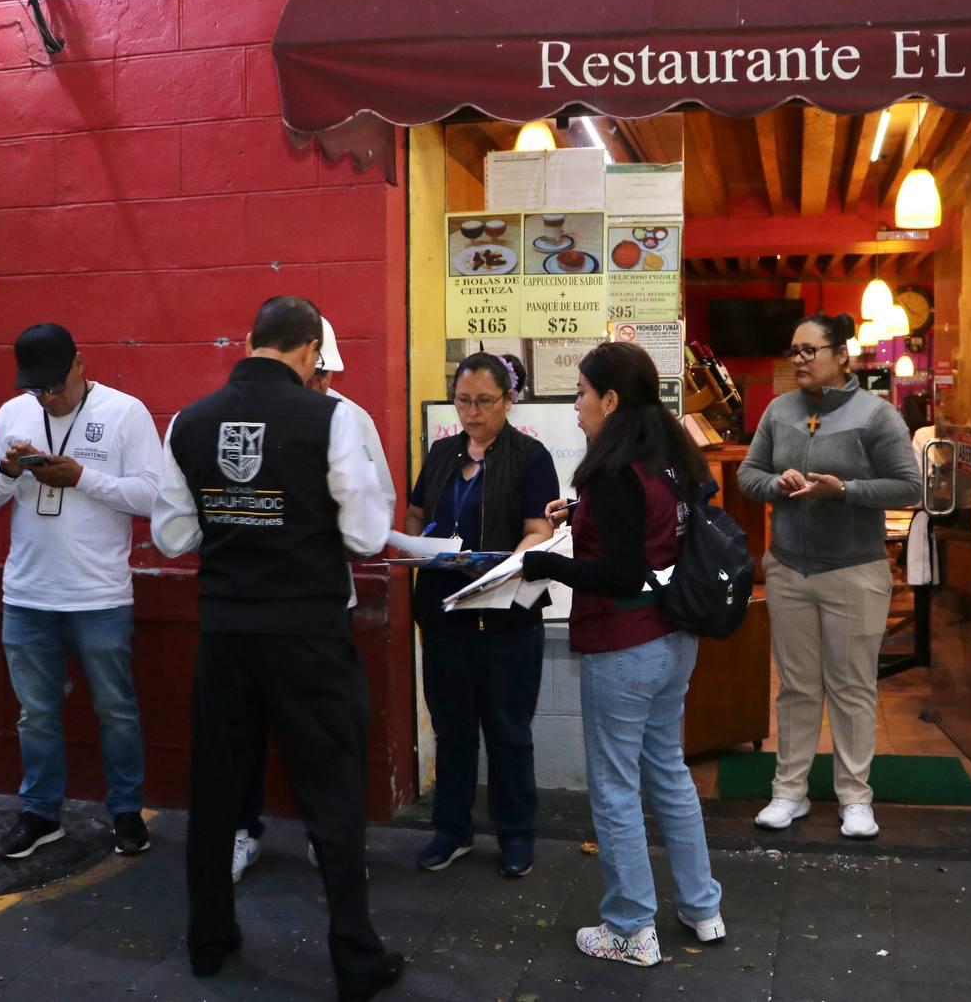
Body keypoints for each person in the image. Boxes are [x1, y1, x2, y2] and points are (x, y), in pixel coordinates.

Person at [151, 297, 402, 999]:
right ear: (310, 351)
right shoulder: (332, 419)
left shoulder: (189, 420)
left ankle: (209, 939)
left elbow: (172, 536)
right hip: (308, 634)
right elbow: (363, 534)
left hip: (226, 631)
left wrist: (235, 520)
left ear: (254, 340)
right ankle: (355, 958)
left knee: (216, 791)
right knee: (331, 794)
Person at [521, 342, 724, 968]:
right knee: (668, 774)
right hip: (675, 639)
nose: (577, 405)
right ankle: (701, 908)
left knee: (614, 787)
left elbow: (619, 572)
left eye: (582, 393)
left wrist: (546, 560)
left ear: (610, 400)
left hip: (626, 645)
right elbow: (657, 528)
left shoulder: (613, 469)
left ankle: (630, 928)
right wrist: (582, 517)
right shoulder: (671, 456)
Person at [0, 324, 159, 860]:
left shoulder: (126, 413)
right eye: (38, 389)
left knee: (116, 710)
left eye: (55, 386)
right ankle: (40, 813)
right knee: (35, 713)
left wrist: (82, 478)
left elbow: (153, 496)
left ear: (80, 363)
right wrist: (9, 472)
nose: (48, 398)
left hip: (98, 596)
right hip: (27, 594)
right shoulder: (14, 414)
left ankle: (125, 811)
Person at [738, 313, 921, 840]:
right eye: (792, 351)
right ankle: (788, 792)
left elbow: (908, 486)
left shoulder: (876, 415)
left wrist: (844, 490)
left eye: (808, 350)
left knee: (851, 686)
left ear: (842, 354)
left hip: (853, 570)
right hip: (789, 568)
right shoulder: (778, 410)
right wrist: (778, 482)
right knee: (796, 687)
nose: (798, 360)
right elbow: (749, 475)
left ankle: (855, 798)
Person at [231, 314, 397, 884]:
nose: (321, 386)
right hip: (251, 601)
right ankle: (242, 830)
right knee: (243, 731)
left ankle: (327, 842)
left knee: (325, 735)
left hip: (324, 600)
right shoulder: (236, 411)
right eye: (315, 375)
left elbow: (381, 502)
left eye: (328, 376)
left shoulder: (351, 418)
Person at [404, 352, 558, 878]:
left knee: (509, 731)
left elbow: (540, 530)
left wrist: (506, 566)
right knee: (453, 731)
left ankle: (516, 835)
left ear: (508, 401)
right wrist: (412, 543)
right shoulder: (443, 451)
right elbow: (418, 514)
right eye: (464, 401)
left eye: (485, 402)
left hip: (507, 617)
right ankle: (452, 830)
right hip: (445, 615)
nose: (472, 412)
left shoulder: (530, 456)